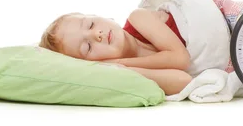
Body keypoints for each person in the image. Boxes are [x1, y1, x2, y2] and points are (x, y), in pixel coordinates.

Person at [39, 8, 193, 95]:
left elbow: (181, 59)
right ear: (94, 63)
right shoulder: (132, 69)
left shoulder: (139, 18)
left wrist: (120, 62)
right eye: (88, 47)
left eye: (91, 24)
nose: (96, 35)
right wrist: (121, 70)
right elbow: (184, 81)